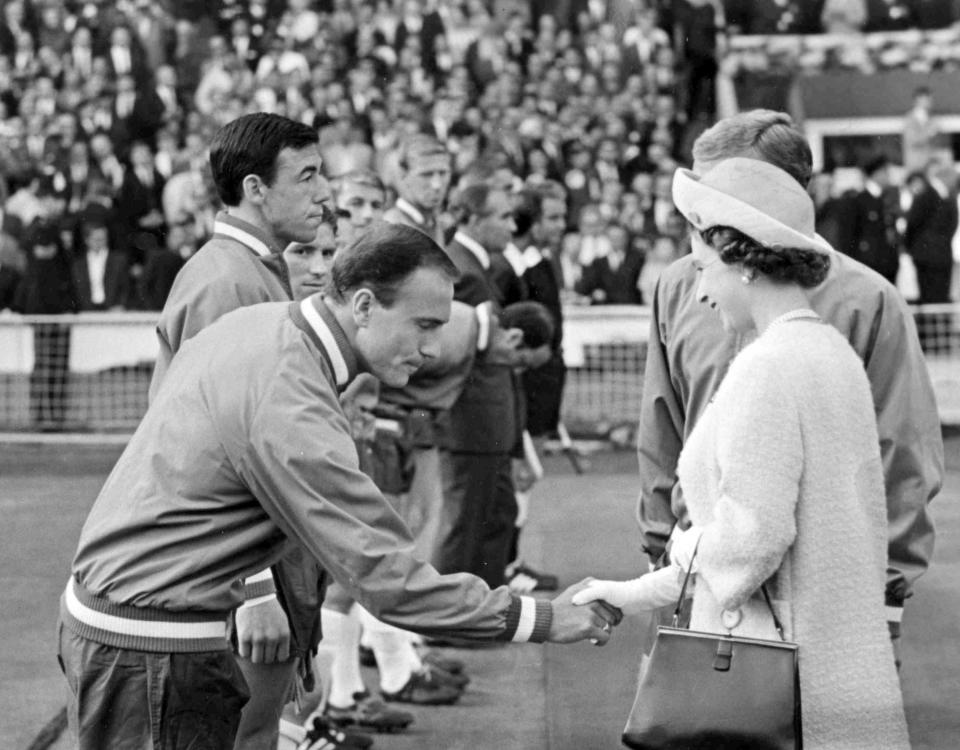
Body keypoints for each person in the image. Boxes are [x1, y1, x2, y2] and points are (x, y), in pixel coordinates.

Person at [57, 222, 620, 750]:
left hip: (131, 624)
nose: (430, 348)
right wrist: (544, 619)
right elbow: (387, 578)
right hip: (153, 646)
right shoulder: (293, 392)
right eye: (423, 326)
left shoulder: (265, 325)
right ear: (364, 305)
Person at [577, 157, 910, 748]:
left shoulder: (767, 367)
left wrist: (681, 542)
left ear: (742, 260)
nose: (700, 290)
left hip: (779, 676)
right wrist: (632, 595)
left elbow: (751, 538)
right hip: (837, 666)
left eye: (704, 267)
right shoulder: (829, 353)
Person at [635, 110, 942, 668]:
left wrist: (888, 598)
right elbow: (662, 429)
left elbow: (902, 455)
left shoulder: (868, 301)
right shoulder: (678, 285)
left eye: (723, 192)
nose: (701, 215)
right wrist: (662, 557)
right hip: (700, 579)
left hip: (826, 590)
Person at [147, 112, 335, 750]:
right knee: (245, 735)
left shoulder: (247, 270)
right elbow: (222, 449)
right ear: (256, 189)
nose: (324, 193)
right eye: (307, 176)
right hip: (239, 566)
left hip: (250, 558)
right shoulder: (231, 280)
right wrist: (254, 590)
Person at [833, 155, 901, 285]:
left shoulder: (886, 199)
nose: (889, 176)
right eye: (886, 172)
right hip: (868, 266)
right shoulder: (857, 201)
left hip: (888, 266)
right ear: (876, 173)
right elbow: (847, 237)